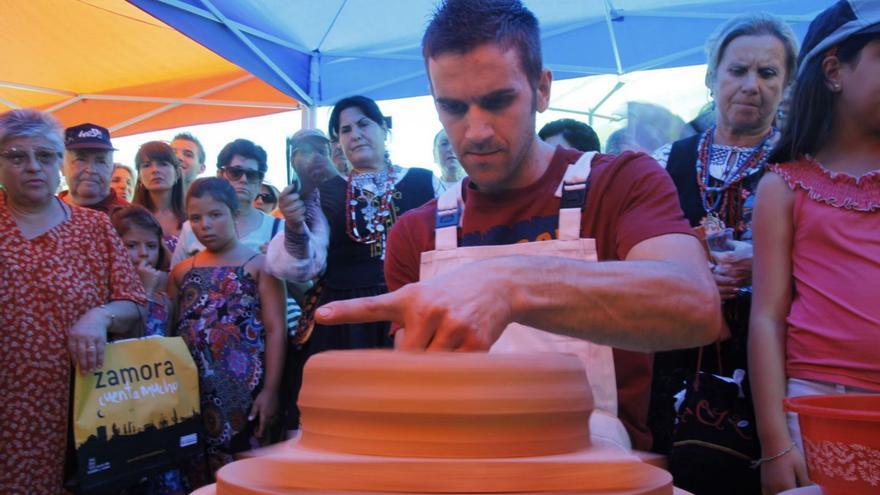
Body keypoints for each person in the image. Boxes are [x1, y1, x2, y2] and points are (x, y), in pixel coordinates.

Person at [314, 0, 720, 451]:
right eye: (453, 108)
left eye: (498, 101)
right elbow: (422, 392)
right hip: (460, 463)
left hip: (596, 466)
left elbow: (696, 306)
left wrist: (512, 284)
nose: (476, 131)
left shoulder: (621, 182)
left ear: (542, 89)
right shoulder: (416, 232)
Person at [646, 14, 798, 484]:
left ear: (787, 85)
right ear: (712, 77)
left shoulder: (802, 166)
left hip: (767, 361)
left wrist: (766, 264)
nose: (751, 85)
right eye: (737, 71)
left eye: (768, 73)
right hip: (672, 353)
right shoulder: (661, 162)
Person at [750, 2, 880, 493]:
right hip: (817, 405)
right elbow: (766, 317)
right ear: (833, 71)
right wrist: (775, 445)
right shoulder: (784, 187)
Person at [0, 109, 146, 494]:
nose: (32, 166)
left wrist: (99, 316)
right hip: (10, 412)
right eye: (16, 156)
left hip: (85, 405)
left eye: (45, 156)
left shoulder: (93, 227)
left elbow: (134, 303)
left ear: (57, 163)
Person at [268, 95, 440, 357]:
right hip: (346, 320)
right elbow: (302, 268)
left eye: (363, 124)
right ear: (338, 142)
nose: (355, 135)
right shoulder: (325, 192)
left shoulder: (424, 181)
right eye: (345, 130)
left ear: (384, 129)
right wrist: (293, 225)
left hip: (412, 309)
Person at [169, 177, 285, 486]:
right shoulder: (181, 273)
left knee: (246, 475)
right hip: (192, 398)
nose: (205, 224)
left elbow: (275, 330)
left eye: (215, 214)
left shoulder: (260, 266)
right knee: (198, 475)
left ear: (234, 214)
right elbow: (168, 339)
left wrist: (271, 391)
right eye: (195, 217)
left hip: (246, 397)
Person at [172, 139, 284, 266]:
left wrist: (281, 265)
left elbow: (305, 284)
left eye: (251, 175)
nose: (243, 179)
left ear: (260, 181)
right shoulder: (192, 227)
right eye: (235, 172)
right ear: (220, 175)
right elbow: (175, 277)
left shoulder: (279, 229)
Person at [59, 122, 129, 215]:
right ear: (61, 166)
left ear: (112, 169)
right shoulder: (43, 214)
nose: (91, 170)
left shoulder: (132, 218)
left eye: (101, 161)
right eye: (80, 160)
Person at [132, 141, 187, 253]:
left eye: (163, 164)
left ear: (177, 173)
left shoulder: (193, 216)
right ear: (139, 176)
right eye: (146, 165)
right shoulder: (129, 219)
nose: (155, 170)